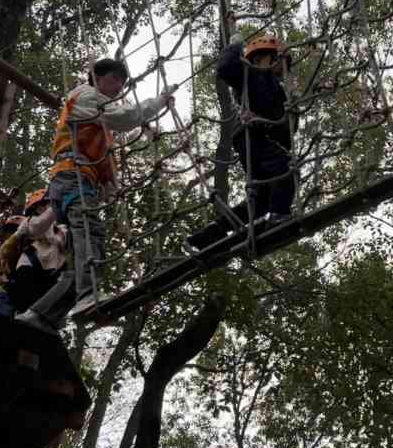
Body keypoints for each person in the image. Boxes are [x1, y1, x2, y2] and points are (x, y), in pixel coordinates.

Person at [16, 57, 175, 333]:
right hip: (70, 177)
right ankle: (86, 296)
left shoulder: (99, 125)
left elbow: (103, 164)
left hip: (77, 181)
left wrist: (111, 189)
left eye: (122, 84)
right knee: (91, 235)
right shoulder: (85, 96)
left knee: (80, 259)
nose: (118, 88)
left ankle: (40, 315)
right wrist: (160, 101)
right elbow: (127, 117)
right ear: (97, 77)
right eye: (115, 80)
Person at [188, 31, 296, 250]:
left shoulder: (277, 90)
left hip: (259, 138)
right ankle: (279, 217)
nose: (284, 70)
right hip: (252, 136)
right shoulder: (251, 73)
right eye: (281, 62)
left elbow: (284, 126)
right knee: (286, 171)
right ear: (263, 58)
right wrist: (235, 46)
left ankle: (214, 231)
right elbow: (225, 68)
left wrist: (293, 110)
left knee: (263, 198)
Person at [0, 189, 67, 319]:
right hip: (22, 279)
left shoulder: (52, 233)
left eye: (13, 232)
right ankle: (0, 318)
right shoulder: (11, 246)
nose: (10, 236)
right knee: (6, 295)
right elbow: (6, 255)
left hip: (42, 279)